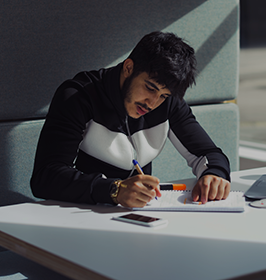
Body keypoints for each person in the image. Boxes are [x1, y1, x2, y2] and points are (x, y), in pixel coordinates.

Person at [30, 31, 231, 208]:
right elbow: (45, 177)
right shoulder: (78, 96)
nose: (152, 103)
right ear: (128, 67)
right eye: (150, 87)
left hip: (139, 217)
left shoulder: (167, 102)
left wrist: (214, 174)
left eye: (163, 95)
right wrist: (113, 190)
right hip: (79, 217)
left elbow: (208, 153)